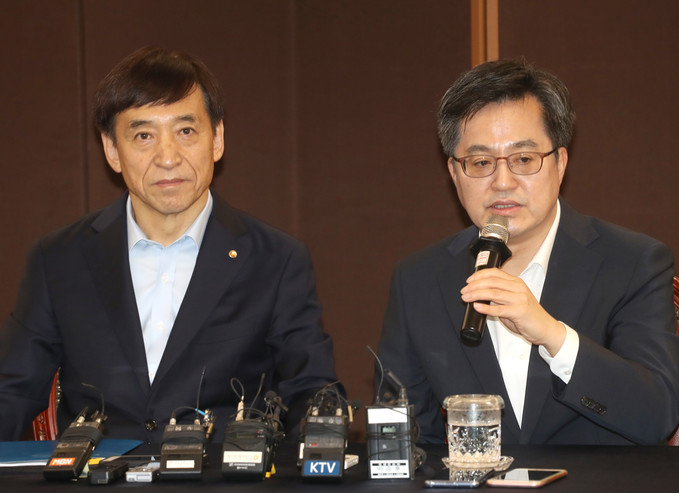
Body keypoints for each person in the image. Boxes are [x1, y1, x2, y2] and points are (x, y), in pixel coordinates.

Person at [0, 46, 340, 443]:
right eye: (144, 135)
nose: (167, 157)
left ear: (217, 139)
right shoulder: (59, 258)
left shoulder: (276, 260)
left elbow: (311, 391)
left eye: (185, 131)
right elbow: (13, 392)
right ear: (112, 150)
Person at [377, 59, 679, 445]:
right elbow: (405, 439)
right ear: (454, 173)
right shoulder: (418, 279)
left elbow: (656, 417)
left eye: (523, 159)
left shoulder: (632, 262)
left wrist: (553, 335)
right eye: (480, 162)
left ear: (560, 163)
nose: (502, 182)